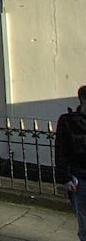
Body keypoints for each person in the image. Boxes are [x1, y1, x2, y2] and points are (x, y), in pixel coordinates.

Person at [56, 85, 86, 241]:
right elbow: (61, 151)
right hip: (80, 180)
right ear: (82, 100)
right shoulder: (68, 122)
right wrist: (65, 178)